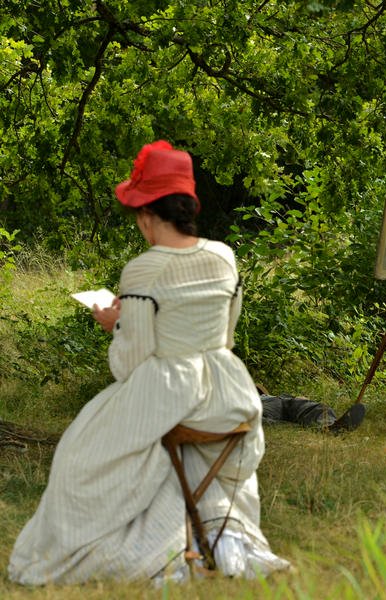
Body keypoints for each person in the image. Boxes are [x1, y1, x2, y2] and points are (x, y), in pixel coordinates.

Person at [8, 141, 289, 584]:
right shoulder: (223, 256)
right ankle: (212, 534)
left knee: (78, 455)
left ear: (146, 214)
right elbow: (226, 337)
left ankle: (145, 544)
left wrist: (115, 324)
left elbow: (130, 363)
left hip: (171, 393)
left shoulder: (143, 270)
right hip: (229, 395)